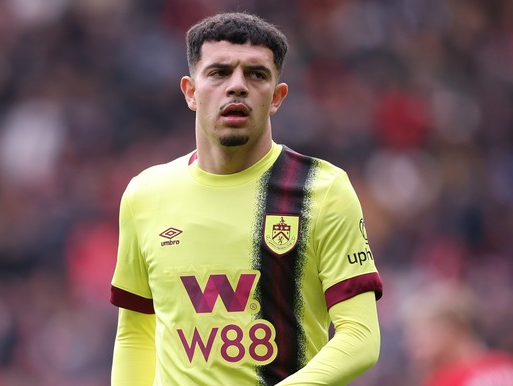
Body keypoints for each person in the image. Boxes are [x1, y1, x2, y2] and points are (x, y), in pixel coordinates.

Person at [110, 12, 383, 385]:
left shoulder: (323, 189)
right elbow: (136, 333)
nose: (237, 86)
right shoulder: (146, 194)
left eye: (256, 74)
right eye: (219, 72)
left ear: (277, 96)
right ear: (191, 91)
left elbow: (360, 337)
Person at [402, 280, 513, 386]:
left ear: (451, 329)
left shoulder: (448, 380)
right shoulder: (506, 364)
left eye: (420, 333)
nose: (413, 344)